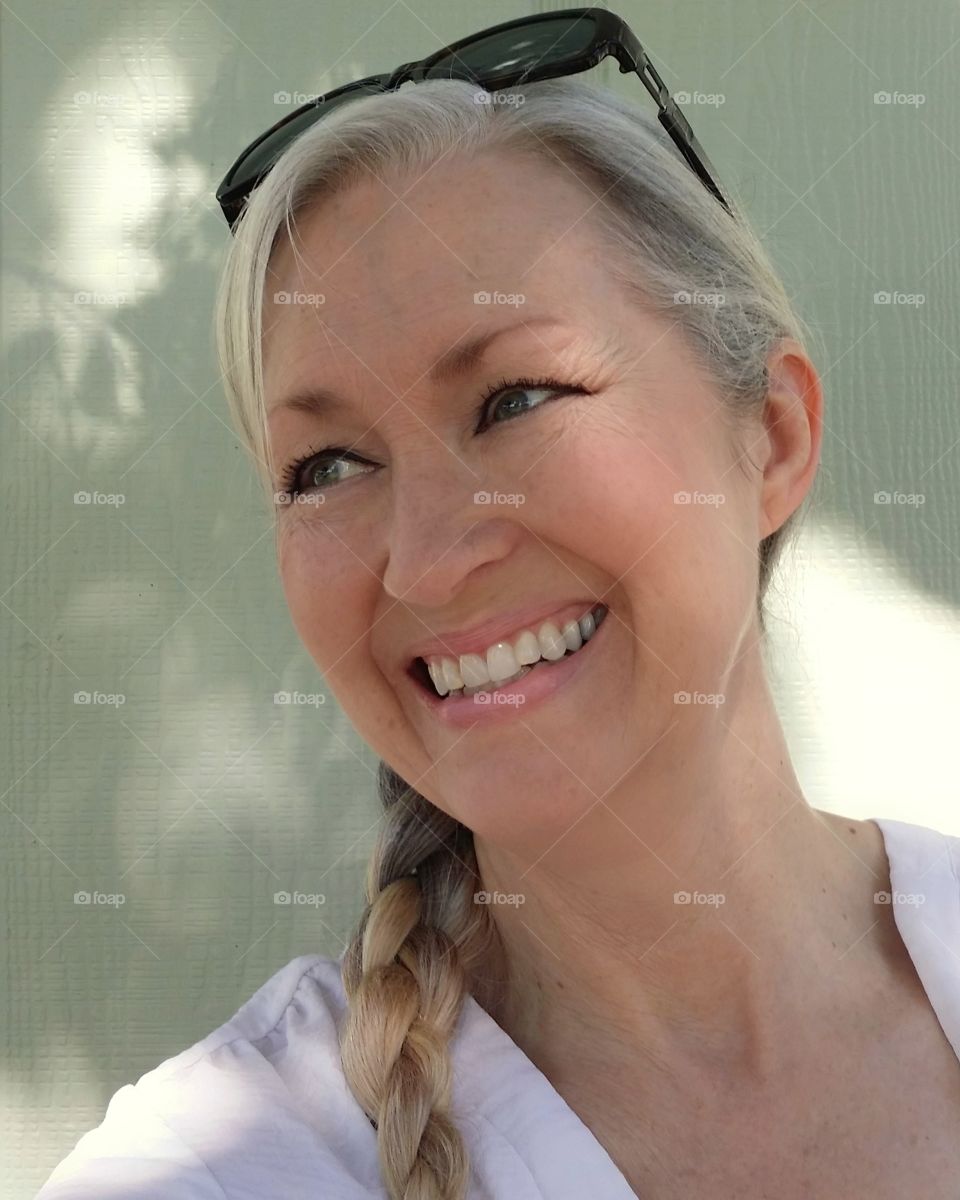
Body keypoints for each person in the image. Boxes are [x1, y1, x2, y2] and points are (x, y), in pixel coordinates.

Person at [37, 59, 960, 1200]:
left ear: (769, 439)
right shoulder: (211, 1175)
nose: (425, 561)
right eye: (326, 467)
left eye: (516, 400)